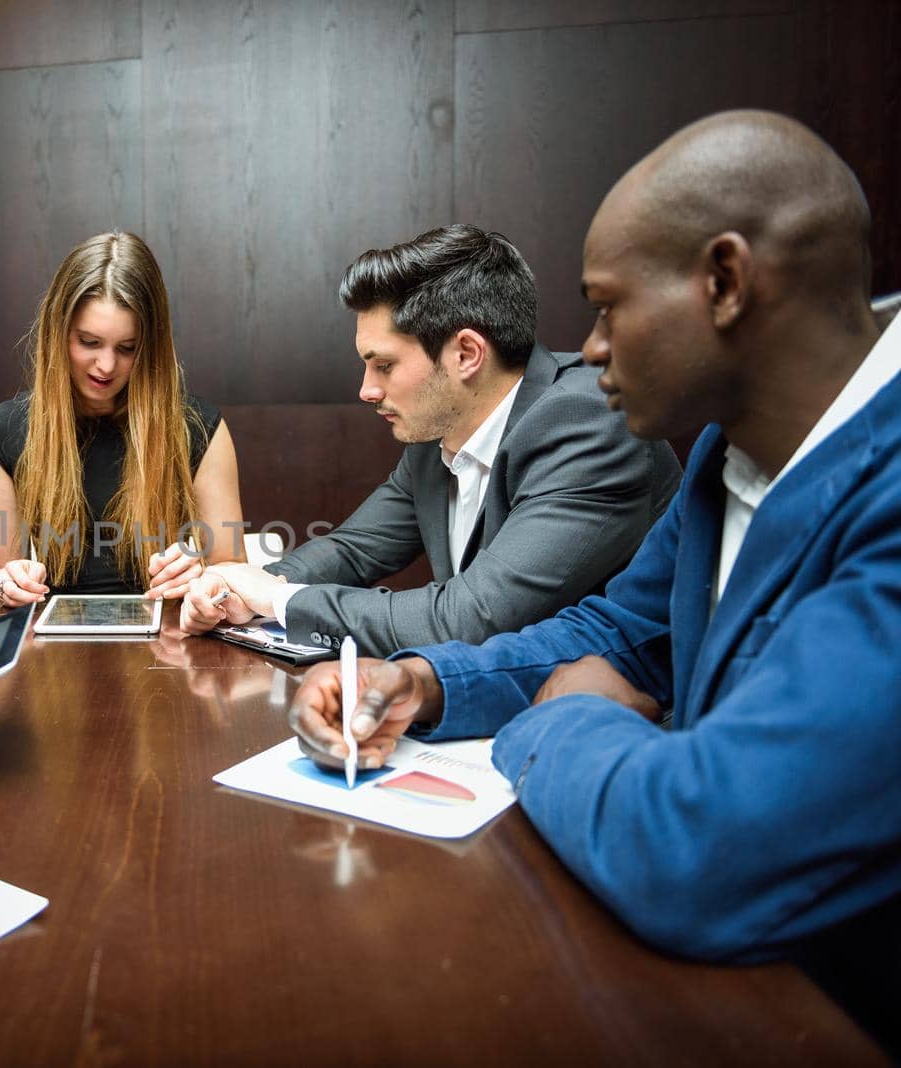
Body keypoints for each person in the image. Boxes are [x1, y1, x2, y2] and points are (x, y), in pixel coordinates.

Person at [289, 111, 900, 1053]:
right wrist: (422, 683)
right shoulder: (722, 460)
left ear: (727, 282)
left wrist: (562, 718)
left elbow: (699, 849)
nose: (594, 348)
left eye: (610, 306)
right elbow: (620, 635)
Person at [181, 225, 680, 653]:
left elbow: (470, 618)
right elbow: (354, 550)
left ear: (466, 353)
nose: (367, 390)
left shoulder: (588, 424)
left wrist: (276, 599)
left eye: (385, 365)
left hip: (619, 722)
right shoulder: (436, 436)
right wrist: (233, 590)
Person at [0, 232, 243, 606]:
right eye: (88, 342)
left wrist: (203, 575)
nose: (106, 366)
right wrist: (10, 582)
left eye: (127, 348)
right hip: (54, 652)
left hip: (169, 643)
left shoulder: (198, 427)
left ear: (150, 346)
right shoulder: (1, 432)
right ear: (58, 331)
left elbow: (232, 569)